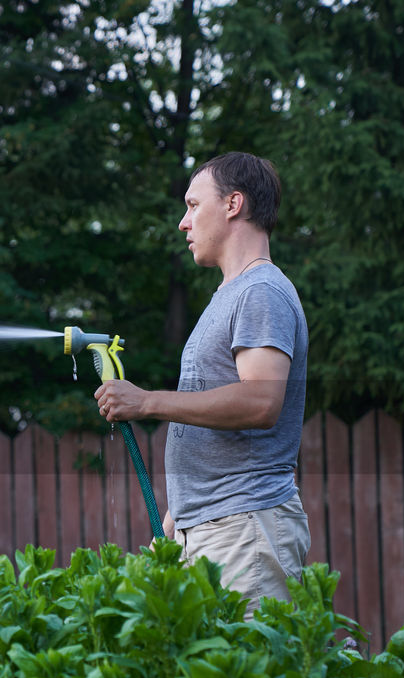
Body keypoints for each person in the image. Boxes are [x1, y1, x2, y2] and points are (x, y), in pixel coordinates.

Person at [94, 152, 309, 616]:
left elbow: (260, 401)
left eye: (193, 205)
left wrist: (147, 402)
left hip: (244, 531)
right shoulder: (229, 296)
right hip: (212, 529)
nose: (183, 222)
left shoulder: (261, 292)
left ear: (233, 204)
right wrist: (172, 530)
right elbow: (211, 438)